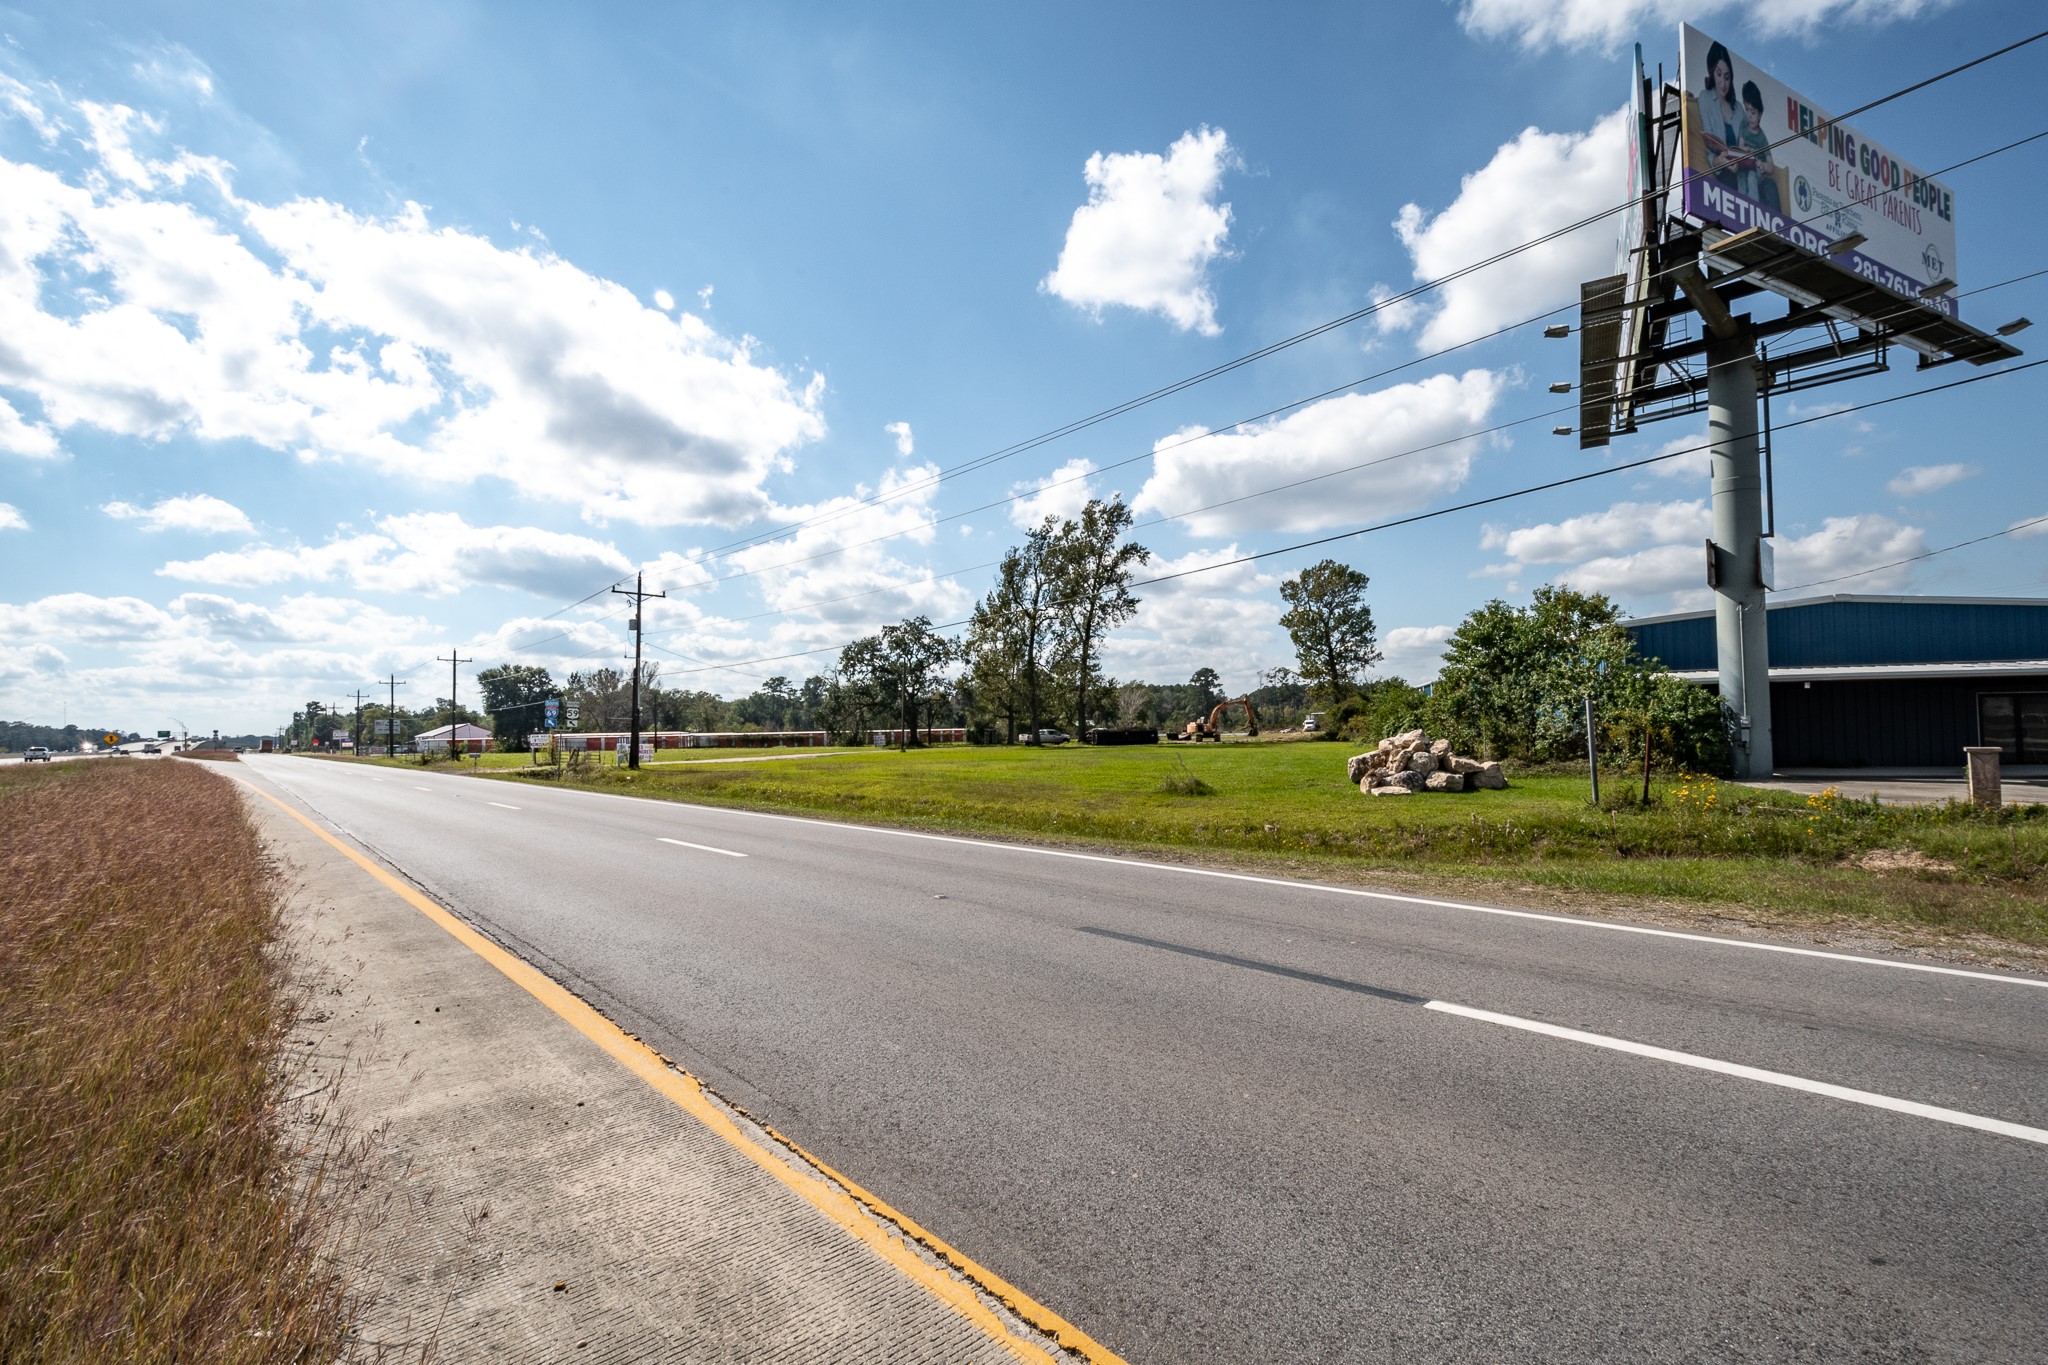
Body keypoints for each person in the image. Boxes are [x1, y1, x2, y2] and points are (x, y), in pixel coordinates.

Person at [1700, 40, 1741, 191]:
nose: (1723, 83)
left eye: (1727, 77)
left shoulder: (1739, 109)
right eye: (1719, 74)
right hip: (1723, 171)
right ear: (1712, 72)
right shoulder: (1705, 98)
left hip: (1743, 169)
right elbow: (1708, 143)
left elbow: (1749, 142)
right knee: (1729, 177)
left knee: (1770, 186)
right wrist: (1719, 161)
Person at [1736, 80, 1781, 211]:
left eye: (1753, 112)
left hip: (1755, 169)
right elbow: (1740, 146)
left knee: (1751, 178)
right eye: (1747, 110)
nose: (1749, 116)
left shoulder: (1762, 137)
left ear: (1760, 114)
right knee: (1741, 179)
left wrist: (1761, 165)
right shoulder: (1743, 126)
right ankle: (1741, 208)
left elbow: (1771, 167)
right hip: (1743, 165)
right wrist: (1745, 150)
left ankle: (1752, 209)